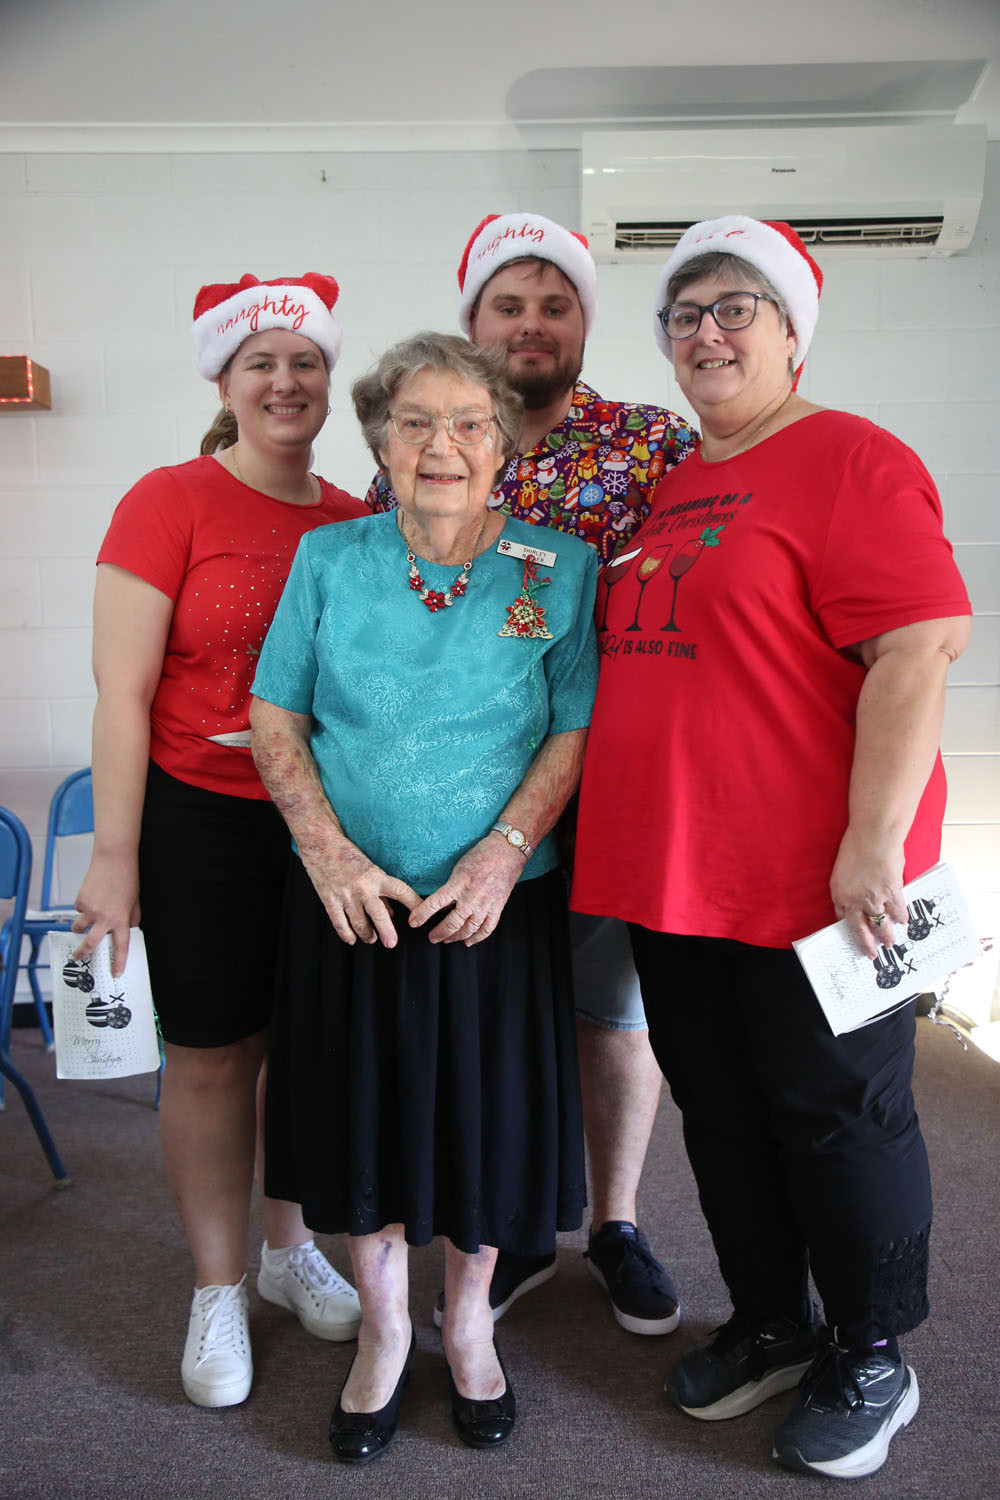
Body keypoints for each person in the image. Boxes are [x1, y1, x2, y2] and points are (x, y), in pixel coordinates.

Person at [571, 217, 972, 1479]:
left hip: (817, 879)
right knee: (724, 1116)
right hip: (675, 871)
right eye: (683, 316)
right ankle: (770, 1325)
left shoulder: (852, 458)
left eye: (735, 307)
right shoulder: (677, 482)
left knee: (839, 1117)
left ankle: (871, 1351)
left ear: (794, 332)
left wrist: (871, 843)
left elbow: (916, 645)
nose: (706, 332)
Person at [249, 331, 598, 1460]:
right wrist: (328, 855)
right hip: (354, 902)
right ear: (379, 442)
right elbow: (275, 720)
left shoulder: (556, 567)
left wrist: (501, 851)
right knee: (369, 1122)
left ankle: (466, 1326)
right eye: (413, 423)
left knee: (484, 1127)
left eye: (466, 424)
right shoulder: (331, 560)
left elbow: (572, 727)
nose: (439, 444)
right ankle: (385, 1332)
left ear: (502, 444)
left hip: (496, 902)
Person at [368, 212, 697, 1336]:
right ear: (472, 320)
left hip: (614, 782)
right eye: (508, 303)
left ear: (582, 325)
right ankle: (502, 1224)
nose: (531, 323)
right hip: (460, 805)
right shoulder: (424, 448)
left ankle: (612, 1222)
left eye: (554, 304)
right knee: (498, 1019)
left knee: (612, 1014)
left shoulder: (651, 442)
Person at [72, 273, 367, 1409]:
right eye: (262, 363)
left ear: (328, 383)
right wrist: (114, 855)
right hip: (199, 818)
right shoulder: (170, 499)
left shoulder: (353, 519)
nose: (286, 381)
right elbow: (120, 694)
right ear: (225, 380)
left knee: (302, 1054)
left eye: (305, 362)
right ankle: (216, 1286)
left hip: (322, 825)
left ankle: (290, 1251)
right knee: (209, 1057)